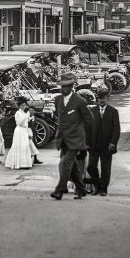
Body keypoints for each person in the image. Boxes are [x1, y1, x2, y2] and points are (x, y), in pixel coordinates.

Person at [50, 72, 93, 201]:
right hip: (63, 139)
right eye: (62, 86)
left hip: (76, 140)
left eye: (66, 86)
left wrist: (84, 140)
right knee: (72, 166)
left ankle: (60, 190)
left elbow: (89, 120)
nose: (63, 89)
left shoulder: (79, 101)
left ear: (71, 87)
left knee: (65, 163)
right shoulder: (58, 100)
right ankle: (81, 189)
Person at [87, 88, 121, 196]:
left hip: (107, 146)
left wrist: (113, 143)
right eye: (99, 98)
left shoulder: (113, 112)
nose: (101, 100)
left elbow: (116, 129)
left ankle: (103, 189)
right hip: (94, 145)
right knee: (91, 166)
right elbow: (88, 129)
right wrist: (86, 143)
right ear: (97, 99)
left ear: (107, 99)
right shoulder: (92, 111)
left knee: (105, 168)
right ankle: (97, 186)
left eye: (104, 98)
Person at [5, 97, 41, 169]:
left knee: (25, 146)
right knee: (20, 146)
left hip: (24, 130)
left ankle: (24, 164)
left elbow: (26, 122)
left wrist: (29, 118)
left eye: (24, 105)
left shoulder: (24, 113)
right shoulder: (18, 113)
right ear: (19, 106)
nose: (23, 107)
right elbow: (19, 123)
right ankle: (18, 164)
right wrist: (26, 117)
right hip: (19, 130)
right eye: (22, 105)